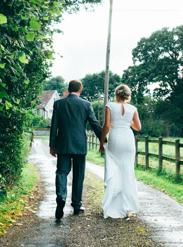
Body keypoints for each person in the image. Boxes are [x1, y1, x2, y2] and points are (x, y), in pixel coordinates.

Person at [49, 79, 102, 220]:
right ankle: (76, 205)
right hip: (79, 145)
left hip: (63, 144)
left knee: (61, 172)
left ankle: (61, 196)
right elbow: (95, 124)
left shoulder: (59, 104)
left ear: (68, 88)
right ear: (80, 90)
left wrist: (52, 145)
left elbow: (54, 126)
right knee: (78, 175)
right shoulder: (86, 104)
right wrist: (104, 140)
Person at [99, 84, 142, 219]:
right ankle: (128, 206)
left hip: (116, 137)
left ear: (116, 95)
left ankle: (113, 206)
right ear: (128, 96)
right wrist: (128, 122)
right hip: (128, 139)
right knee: (128, 171)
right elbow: (138, 127)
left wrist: (102, 142)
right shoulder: (133, 109)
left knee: (113, 169)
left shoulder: (110, 106)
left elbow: (107, 125)